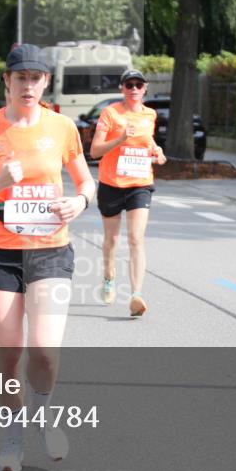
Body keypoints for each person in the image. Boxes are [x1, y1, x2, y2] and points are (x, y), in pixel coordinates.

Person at [0, 44, 95, 471]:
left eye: (36, 78)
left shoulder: (62, 127)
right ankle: (12, 439)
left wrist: (82, 201)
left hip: (51, 248)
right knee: (9, 354)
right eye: (20, 78)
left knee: (45, 351)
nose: (28, 85)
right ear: (7, 82)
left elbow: (86, 179)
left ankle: (44, 416)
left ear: (46, 83)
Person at [89, 68, 166, 317]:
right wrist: (120, 139)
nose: (133, 89)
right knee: (112, 240)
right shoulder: (111, 113)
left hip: (140, 184)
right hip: (111, 184)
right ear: (122, 88)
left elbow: (148, 141)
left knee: (136, 238)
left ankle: (136, 295)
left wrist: (158, 152)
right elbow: (95, 151)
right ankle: (109, 277)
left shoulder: (150, 114)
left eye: (138, 85)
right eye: (128, 85)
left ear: (144, 89)